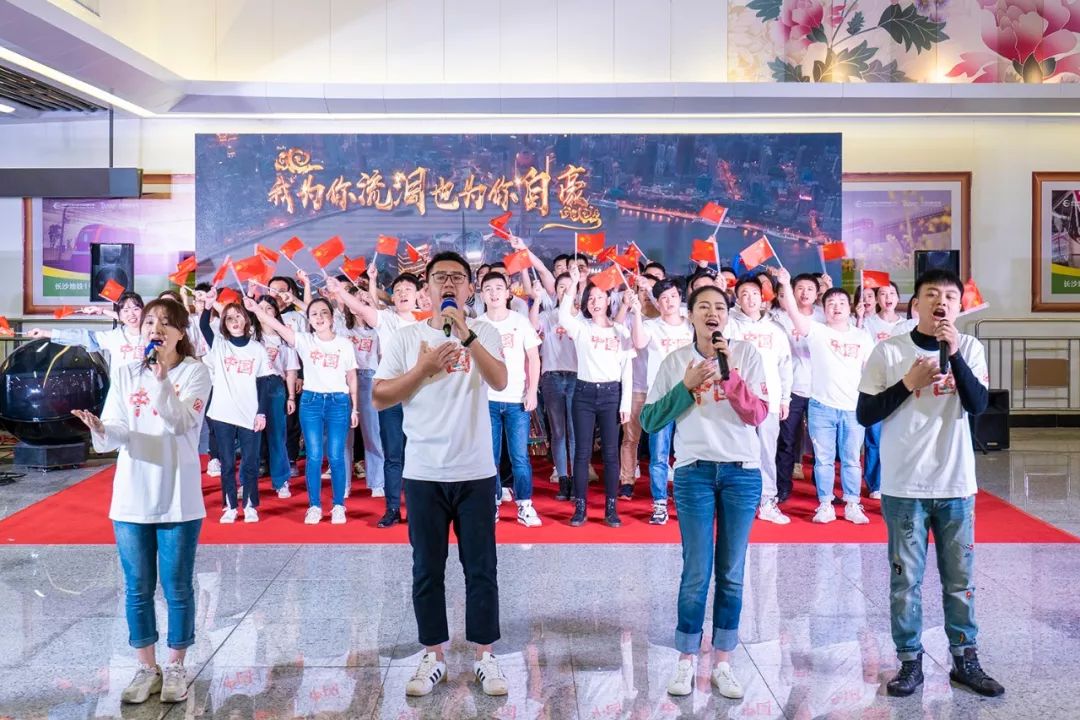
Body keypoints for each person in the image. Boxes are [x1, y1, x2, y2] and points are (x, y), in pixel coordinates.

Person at [856, 269, 1003, 699]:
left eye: (950, 297)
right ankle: (909, 661)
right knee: (906, 581)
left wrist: (953, 354)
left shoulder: (970, 347)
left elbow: (978, 405)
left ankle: (965, 659)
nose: (942, 302)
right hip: (905, 486)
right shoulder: (889, 351)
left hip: (955, 483)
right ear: (915, 304)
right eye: (932, 295)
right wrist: (909, 383)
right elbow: (866, 414)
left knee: (960, 580)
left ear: (958, 306)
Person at [372, 251, 510, 698]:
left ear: (469, 288)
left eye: (457, 277)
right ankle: (434, 657)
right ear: (426, 288)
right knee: (427, 569)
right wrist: (424, 369)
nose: (448, 284)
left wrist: (467, 335)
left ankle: (485, 657)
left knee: (481, 568)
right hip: (424, 471)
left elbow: (501, 381)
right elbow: (379, 396)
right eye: (439, 277)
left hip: (475, 470)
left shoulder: (486, 331)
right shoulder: (406, 337)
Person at [71, 299, 212, 705]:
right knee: (137, 587)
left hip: (178, 495)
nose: (156, 328)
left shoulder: (196, 373)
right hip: (132, 494)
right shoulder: (126, 372)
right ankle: (146, 667)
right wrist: (101, 428)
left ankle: (176, 666)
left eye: (166, 323)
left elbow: (181, 422)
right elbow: (120, 430)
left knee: (177, 586)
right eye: (150, 322)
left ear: (181, 332)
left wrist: (162, 380)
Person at [639, 285, 768, 700]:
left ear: (726, 317)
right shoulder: (676, 361)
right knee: (696, 571)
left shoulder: (745, 355)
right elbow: (650, 421)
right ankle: (686, 659)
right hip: (693, 473)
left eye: (720, 308)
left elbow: (757, 414)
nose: (713, 313)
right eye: (704, 307)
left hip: (741, 474)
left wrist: (730, 376)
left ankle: (723, 662)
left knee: (731, 572)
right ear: (691, 315)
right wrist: (686, 386)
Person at [246, 295, 359, 525]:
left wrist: (355, 408)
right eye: (314, 314)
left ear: (332, 317)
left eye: (324, 312)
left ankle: (339, 505)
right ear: (308, 319)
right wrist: (256, 309)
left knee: (336, 455)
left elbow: (351, 376)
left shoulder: (345, 344)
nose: (319, 317)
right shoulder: (304, 340)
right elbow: (277, 325)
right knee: (314, 456)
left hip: (339, 402)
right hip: (311, 402)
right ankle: (314, 506)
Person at [776, 269, 874, 524]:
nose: (836, 307)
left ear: (850, 308)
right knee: (823, 460)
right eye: (831, 303)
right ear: (824, 308)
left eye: (841, 302)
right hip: (821, 407)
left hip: (853, 408)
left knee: (852, 460)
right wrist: (785, 283)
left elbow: (871, 371)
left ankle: (852, 503)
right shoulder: (817, 331)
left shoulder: (862, 336)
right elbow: (793, 312)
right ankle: (825, 504)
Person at [560, 262, 635, 528]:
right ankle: (580, 507)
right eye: (590, 298)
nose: (595, 302)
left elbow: (627, 370)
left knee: (611, 455)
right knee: (582, 453)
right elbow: (563, 317)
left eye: (600, 298)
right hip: (584, 393)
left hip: (612, 395)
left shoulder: (620, 331)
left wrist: (625, 403)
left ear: (608, 301)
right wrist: (572, 285)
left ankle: (611, 508)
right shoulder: (582, 327)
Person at [199, 292, 273, 523]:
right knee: (228, 464)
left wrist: (261, 412)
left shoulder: (257, 349)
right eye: (229, 318)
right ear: (224, 323)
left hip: (250, 414)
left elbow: (264, 383)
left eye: (238, 316)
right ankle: (230, 506)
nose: (234, 321)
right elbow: (203, 326)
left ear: (246, 319)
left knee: (250, 462)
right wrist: (207, 306)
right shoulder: (220, 346)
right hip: (223, 414)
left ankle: (250, 505)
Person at [478, 271, 543, 527]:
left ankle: (524, 505)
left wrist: (532, 390)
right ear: (482, 295)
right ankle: (492, 503)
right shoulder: (477, 325)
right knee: (489, 457)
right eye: (488, 288)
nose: (493, 293)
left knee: (520, 457)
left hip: (517, 399)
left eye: (498, 288)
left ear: (508, 293)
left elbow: (534, 358)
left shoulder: (520, 322)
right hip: (487, 400)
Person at [727, 277, 793, 525]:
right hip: (739, 399)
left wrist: (785, 398)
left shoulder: (776, 330)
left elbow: (785, 366)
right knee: (738, 451)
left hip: (769, 399)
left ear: (762, 296)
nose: (750, 298)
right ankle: (739, 501)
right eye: (744, 294)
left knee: (766, 451)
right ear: (737, 299)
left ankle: (767, 501)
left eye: (754, 293)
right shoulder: (731, 326)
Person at [629, 278, 693, 524]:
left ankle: (689, 500)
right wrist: (637, 312)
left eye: (673, 296)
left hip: (690, 395)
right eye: (663, 298)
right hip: (660, 399)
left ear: (680, 298)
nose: (669, 302)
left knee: (691, 454)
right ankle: (659, 504)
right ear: (658, 302)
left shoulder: (691, 326)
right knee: (659, 455)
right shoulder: (651, 326)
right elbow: (638, 342)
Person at [771, 272, 823, 500]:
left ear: (817, 293)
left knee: (821, 443)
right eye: (799, 288)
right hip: (790, 389)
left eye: (810, 289)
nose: (804, 293)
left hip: (820, 389)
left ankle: (823, 489)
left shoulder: (824, 315)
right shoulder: (780, 317)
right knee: (786, 440)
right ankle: (782, 487)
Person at [531, 272, 579, 501]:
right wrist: (536, 300)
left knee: (574, 432)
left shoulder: (583, 319)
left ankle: (577, 479)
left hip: (577, 378)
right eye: (561, 287)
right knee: (558, 432)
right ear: (555, 291)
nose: (565, 290)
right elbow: (533, 326)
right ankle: (563, 479)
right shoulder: (548, 316)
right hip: (552, 377)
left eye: (570, 287)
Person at [29, 291, 146, 374]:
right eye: (126, 310)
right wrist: (45, 333)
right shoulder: (114, 337)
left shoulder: (152, 334)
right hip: (121, 393)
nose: (131, 314)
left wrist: (102, 311)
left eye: (136, 309)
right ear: (120, 315)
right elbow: (81, 336)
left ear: (144, 311)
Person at [860, 280, 904, 500]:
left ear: (898, 298)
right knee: (875, 438)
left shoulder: (906, 325)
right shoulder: (868, 324)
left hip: (901, 384)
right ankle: (875, 483)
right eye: (883, 294)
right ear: (877, 299)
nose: (888, 298)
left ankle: (897, 480)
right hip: (876, 385)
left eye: (892, 293)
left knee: (900, 436)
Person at [253, 296, 300, 499]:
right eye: (260, 308)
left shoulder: (285, 338)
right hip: (252, 387)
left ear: (276, 312)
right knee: (250, 437)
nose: (264, 312)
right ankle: (247, 482)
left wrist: (291, 397)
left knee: (277, 436)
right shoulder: (250, 336)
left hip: (275, 386)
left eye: (268, 308)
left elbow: (291, 370)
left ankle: (281, 481)